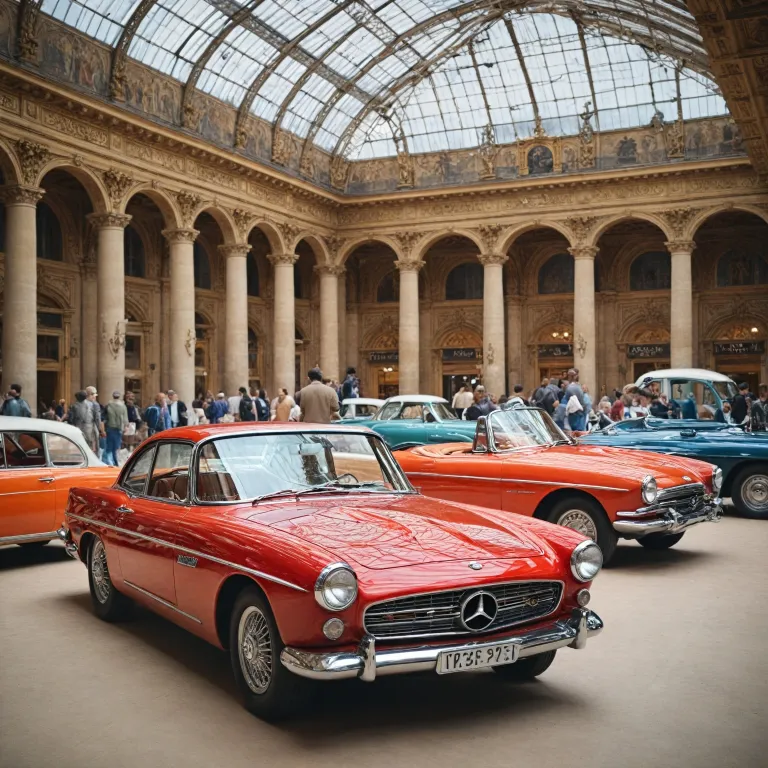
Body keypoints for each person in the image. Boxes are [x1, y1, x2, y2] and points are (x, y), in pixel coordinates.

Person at [104, 391, 128, 467]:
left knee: (109, 446)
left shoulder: (108, 405)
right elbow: (125, 418)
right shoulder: (123, 406)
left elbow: (105, 417)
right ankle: (116, 462)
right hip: (119, 428)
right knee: (117, 446)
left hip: (110, 427)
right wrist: (125, 427)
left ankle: (109, 462)